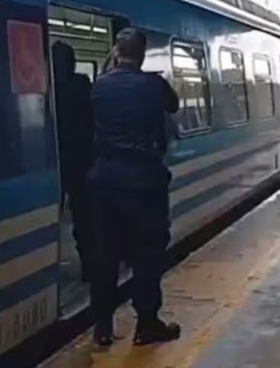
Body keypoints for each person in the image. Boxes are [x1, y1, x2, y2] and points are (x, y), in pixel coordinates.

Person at [88, 28, 181, 347]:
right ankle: (147, 324)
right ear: (142, 55)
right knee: (147, 254)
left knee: (105, 254)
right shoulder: (154, 85)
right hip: (144, 182)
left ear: (116, 51)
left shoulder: (99, 86)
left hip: (105, 181)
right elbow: (173, 105)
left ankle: (102, 327)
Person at [51, 41, 95, 282]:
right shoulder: (82, 85)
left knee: (60, 214)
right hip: (82, 159)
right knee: (84, 216)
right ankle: (89, 265)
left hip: (56, 160)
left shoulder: (49, 86)